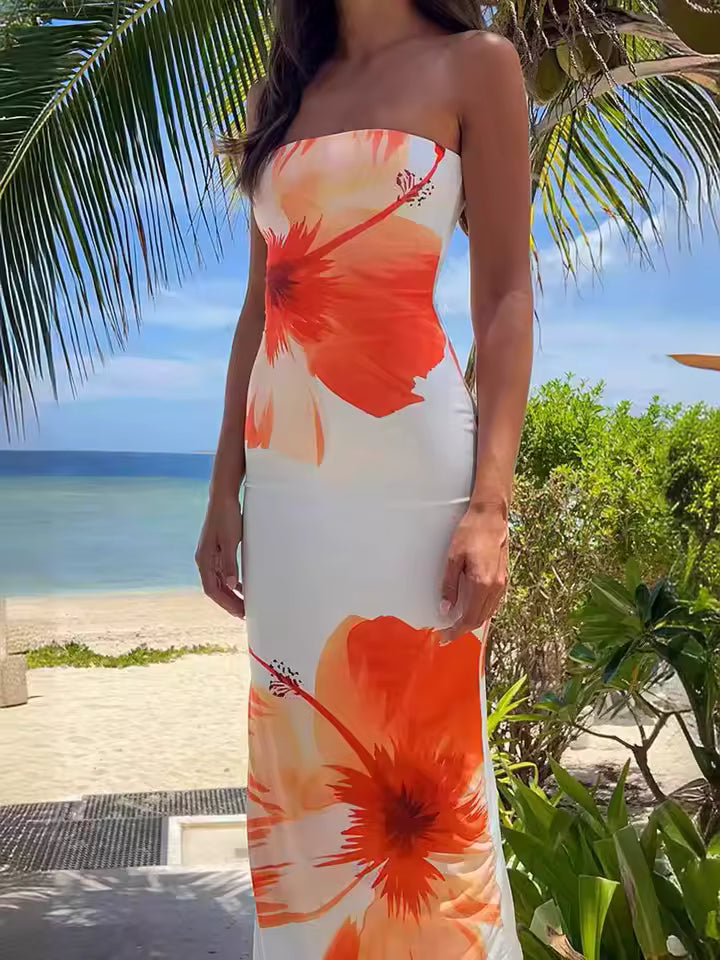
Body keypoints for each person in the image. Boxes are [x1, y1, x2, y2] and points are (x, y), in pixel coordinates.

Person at [196, 0, 533, 956]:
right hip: (288, 491)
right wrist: (224, 491)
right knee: (298, 755)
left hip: (413, 477)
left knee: (423, 779)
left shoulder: (477, 64)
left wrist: (491, 505)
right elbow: (260, 309)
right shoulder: (285, 91)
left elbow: (506, 293)